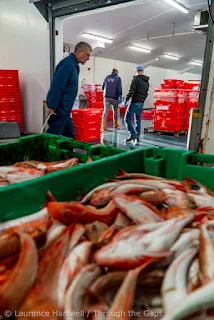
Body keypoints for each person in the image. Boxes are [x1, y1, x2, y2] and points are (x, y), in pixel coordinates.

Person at [46, 42, 92, 138]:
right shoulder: (67, 64)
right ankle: (43, 152)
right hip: (59, 109)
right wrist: (51, 105)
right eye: (87, 55)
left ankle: (68, 152)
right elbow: (57, 85)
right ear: (80, 52)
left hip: (66, 109)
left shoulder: (74, 65)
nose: (88, 58)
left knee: (70, 134)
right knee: (52, 136)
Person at [123, 65, 149, 142]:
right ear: (143, 71)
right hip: (141, 102)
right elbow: (146, 93)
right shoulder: (146, 82)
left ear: (136, 71)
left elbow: (131, 91)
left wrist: (126, 100)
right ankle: (137, 135)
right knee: (137, 118)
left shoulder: (136, 79)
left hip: (134, 102)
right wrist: (142, 101)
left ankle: (132, 134)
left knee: (127, 118)